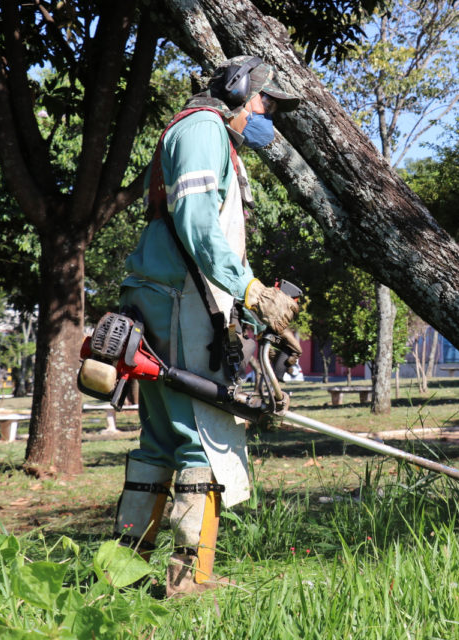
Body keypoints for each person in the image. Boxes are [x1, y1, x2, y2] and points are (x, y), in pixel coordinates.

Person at [112, 56, 302, 597]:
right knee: (200, 438)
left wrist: (244, 307)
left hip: (173, 296)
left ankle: (121, 575)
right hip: (180, 301)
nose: (270, 118)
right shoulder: (203, 131)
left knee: (161, 442)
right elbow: (196, 223)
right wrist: (252, 292)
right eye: (268, 104)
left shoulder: (203, 134)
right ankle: (187, 577)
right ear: (240, 92)